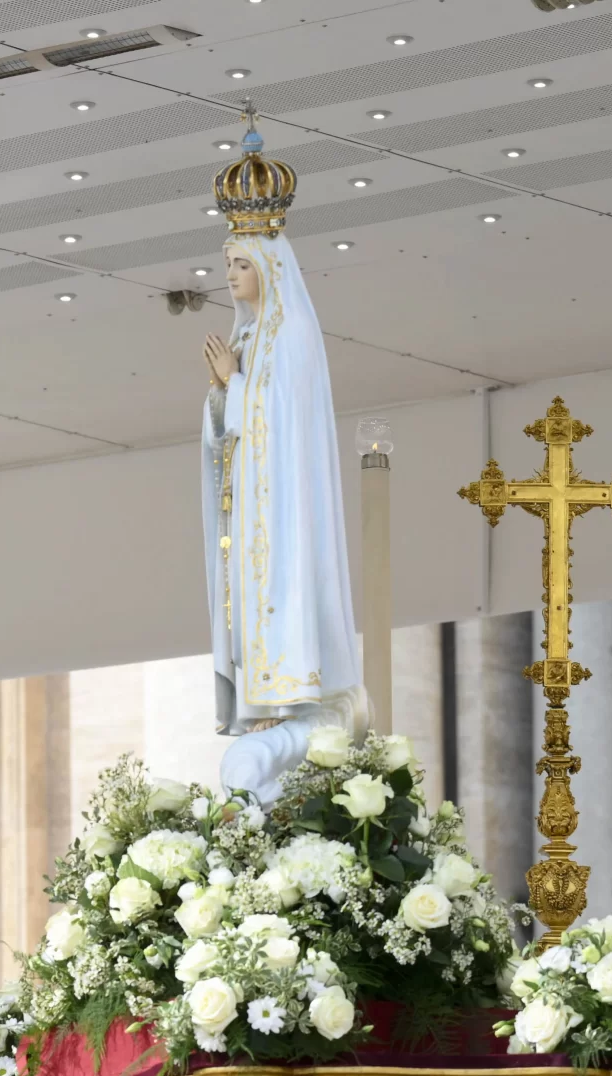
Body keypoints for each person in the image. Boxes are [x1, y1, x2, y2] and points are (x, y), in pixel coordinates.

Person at [200, 117, 364, 799]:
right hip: (252, 518)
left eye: (241, 265)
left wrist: (234, 385)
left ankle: (293, 696)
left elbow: (280, 428)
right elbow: (231, 437)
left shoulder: (290, 332)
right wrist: (221, 395)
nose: (231, 277)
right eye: (230, 264)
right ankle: (262, 710)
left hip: (283, 514)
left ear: (268, 266)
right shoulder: (250, 334)